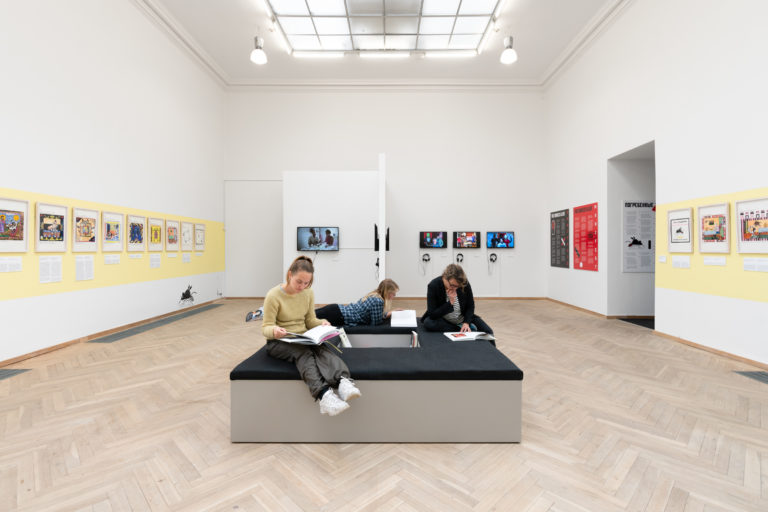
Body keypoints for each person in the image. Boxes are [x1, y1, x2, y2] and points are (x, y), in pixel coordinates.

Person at [262, 255, 360, 416]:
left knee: (322, 349)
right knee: (303, 353)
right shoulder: (273, 295)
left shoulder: (308, 293)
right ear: (290, 275)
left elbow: (309, 320)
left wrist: (322, 323)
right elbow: (265, 327)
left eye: (306, 283)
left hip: (302, 337)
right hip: (278, 342)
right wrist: (274, 331)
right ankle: (323, 395)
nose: (302, 286)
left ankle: (343, 382)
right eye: (299, 282)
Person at [422, 264, 493, 334]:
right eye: (452, 285)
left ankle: (464, 327)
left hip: (462, 318)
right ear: (444, 277)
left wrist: (466, 323)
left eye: (457, 286)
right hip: (444, 321)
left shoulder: (463, 283)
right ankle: (458, 328)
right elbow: (432, 314)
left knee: (488, 331)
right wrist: (450, 303)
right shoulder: (433, 285)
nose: (455, 288)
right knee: (428, 323)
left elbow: (470, 305)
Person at [315, 279, 400, 327]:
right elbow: (375, 324)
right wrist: (387, 315)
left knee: (309, 315)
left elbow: (376, 315)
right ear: (387, 292)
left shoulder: (374, 294)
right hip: (337, 315)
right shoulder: (378, 301)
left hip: (336, 309)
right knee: (308, 319)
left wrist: (390, 313)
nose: (394, 295)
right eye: (393, 293)